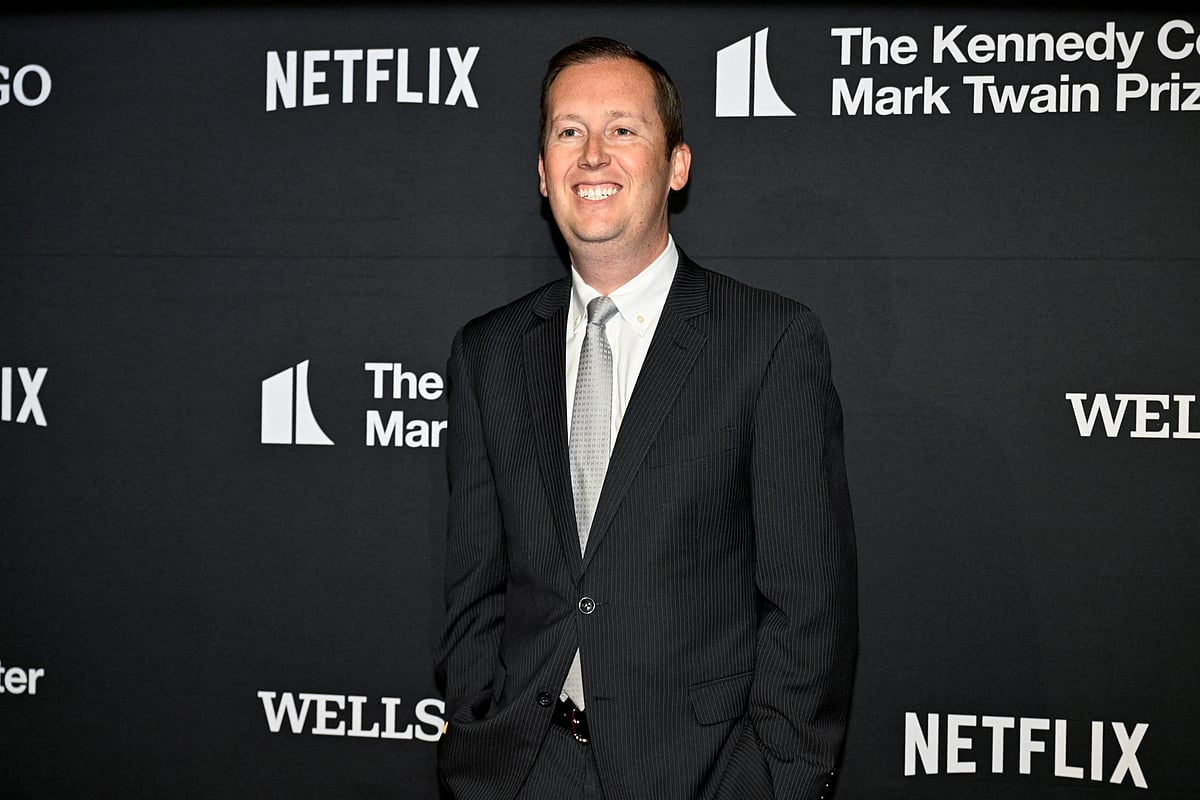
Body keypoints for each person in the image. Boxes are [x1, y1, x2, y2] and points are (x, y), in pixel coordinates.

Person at [436, 36, 857, 800]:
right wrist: (476, 731)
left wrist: (774, 783)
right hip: (525, 771)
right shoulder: (486, 354)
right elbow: (474, 588)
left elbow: (808, 607)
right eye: (569, 132)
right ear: (541, 171)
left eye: (623, 130)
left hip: (704, 777)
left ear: (678, 165)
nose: (592, 156)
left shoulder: (769, 342)